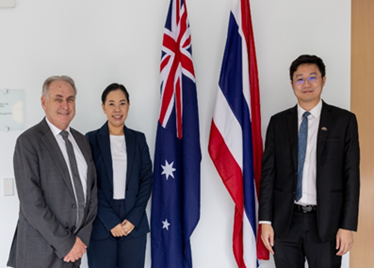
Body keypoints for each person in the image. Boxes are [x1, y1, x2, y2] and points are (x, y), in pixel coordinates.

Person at [259, 55, 360, 268]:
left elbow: (352, 176)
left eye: (312, 78)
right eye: (300, 79)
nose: (306, 84)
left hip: (327, 224)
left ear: (323, 80)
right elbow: (268, 175)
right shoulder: (278, 122)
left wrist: (347, 226)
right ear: (292, 84)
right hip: (285, 222)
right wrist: (266, 222)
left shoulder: (344, 121)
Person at [7, 76, 98, 268]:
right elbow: (31, 203)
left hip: (74, 252)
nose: (65, 105)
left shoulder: (82, 141)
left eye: (70, 99)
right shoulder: (28, 142)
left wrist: (80, 241)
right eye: (58, 98)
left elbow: (92, 193)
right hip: (39, 254)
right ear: (44, 102)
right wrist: (66, 244)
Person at [86, 83, 153, 268]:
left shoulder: (139, 139)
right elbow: (89, 183)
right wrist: (110, 220)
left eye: (122, 103)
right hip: (101, 219)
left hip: (134, 219)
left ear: (128, 106)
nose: (117, 109)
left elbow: (147, 179)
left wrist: (133, 218)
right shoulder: (90, 139)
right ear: (103, 107)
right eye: (111, 104)